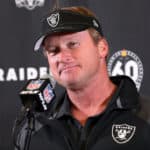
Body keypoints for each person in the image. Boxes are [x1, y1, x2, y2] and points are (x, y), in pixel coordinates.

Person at [14, 6, 150, 150]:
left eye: (73, 44)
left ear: (102, 48)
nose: (61, 57)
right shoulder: (32, 128)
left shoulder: (145, 115)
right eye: (53, 51)